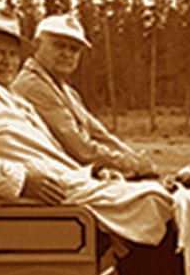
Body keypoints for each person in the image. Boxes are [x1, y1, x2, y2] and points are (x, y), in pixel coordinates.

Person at [0, 9, 172, 246]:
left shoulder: (11, 99)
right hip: (43, 204)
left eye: (12, 54)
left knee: (165, 198)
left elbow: (62, 150)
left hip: (61, 192)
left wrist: (94, 172)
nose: (7, 62)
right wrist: (21, 181)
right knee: (158, 202)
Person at [12, 13, 156, 180]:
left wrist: (133, 157)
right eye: (59, 45)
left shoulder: (68, 92)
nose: (67, 54)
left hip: (69, 173)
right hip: (46, 177)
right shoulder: (31, 86)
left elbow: (99, 134)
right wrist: (130, 164)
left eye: (74, 49)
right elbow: (80, 149)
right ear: (37, 45)